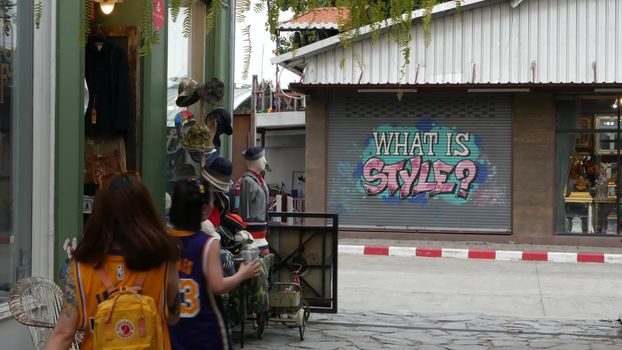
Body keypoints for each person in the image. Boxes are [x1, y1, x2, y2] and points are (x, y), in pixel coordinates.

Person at [45, 173, 181, 350]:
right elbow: (173, 316)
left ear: (100, 214)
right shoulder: (164, 260)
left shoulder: (81, 267)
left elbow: (63, 335)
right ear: (145, 211)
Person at [169, 178, 261, 350]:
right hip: (206, 331)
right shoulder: (207, 244)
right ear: (204, 210)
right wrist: (242, 273)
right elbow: (218, 286)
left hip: (174, 330)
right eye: (212, 201)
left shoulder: (165, 241)